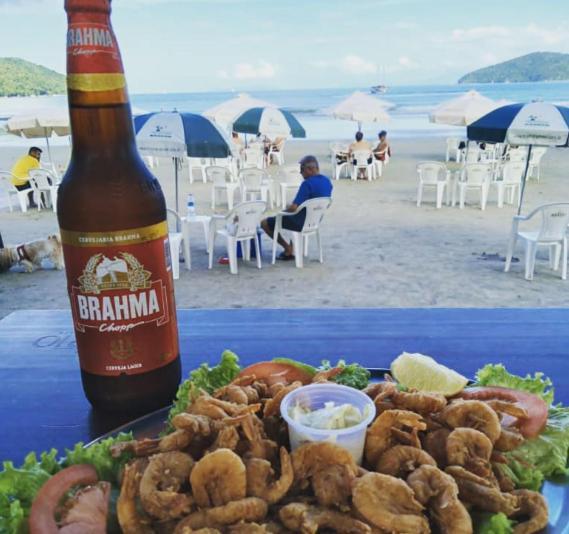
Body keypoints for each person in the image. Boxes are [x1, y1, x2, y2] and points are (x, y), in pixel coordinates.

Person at [261, 155, 332, 260]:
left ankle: (288, 249)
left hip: (300, 222)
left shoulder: (307, 184)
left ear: (309, 169)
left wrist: (282, 211)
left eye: (302, 170)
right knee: (288, 218)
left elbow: (294, 208)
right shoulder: (327, 182)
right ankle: (292, 246)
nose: (300, 173)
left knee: (264, 223)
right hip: (315, 221)